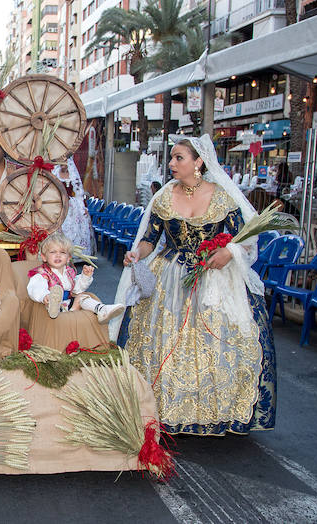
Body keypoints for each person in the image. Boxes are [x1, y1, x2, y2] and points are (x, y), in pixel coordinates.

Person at [117, 134, 275, 436]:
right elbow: (150, 239)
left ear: (198, 162)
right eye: (173, 158)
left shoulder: (222, 198)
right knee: (161, 342)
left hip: (213, 278)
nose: (173, 164)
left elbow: (244, 239)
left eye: (179, 158)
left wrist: (228, 252)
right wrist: (137, 253)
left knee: (217, 342)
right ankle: (162, 407)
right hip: (170, 276)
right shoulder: (163, 197)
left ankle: (215, 411)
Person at [28, 232, 124, 322]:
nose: (58, 255)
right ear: (44, 257)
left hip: (69, 304)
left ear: (68, 258)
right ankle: (54, 308)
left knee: (82, 296)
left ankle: (102, 310)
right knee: (52, 301)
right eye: (53, 252)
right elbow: (35, 288)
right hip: (51, 307)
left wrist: (85, 277)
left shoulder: (69, 272)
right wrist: (44, 296)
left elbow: (76, 290)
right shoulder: (42, 274)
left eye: (62, 253)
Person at [54, 159, 93, 256]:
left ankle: (76, 254)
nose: (63, 165)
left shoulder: (73, 174)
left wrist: (83, 208)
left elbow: (79, 192)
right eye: (61, 163)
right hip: (58, 203)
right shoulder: (55, 173)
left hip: (72, 205)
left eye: (65, 163)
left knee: (75, 227)